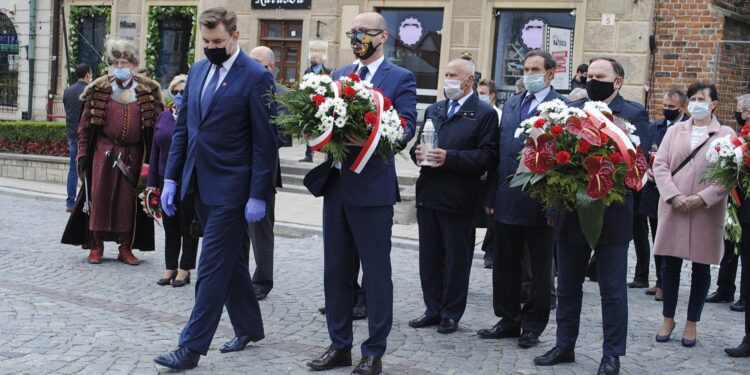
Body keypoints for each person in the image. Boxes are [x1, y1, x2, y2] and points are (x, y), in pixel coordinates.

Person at [153, 7, 278, 370]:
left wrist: (257, 193)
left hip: (234, 189)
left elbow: (264, 142)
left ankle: (190, 348)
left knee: (209, 267)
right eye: (206, 42)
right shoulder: (197, 69)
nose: (212, 47)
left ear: (235, 37)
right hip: (198, 183)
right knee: (232, 262)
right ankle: (250, 327)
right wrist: (172, 178)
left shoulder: (256, 77)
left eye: (218, 41)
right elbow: (184, 129)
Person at [302, 11, 416, 375]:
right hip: (336, 187)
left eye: (363, 32)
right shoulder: (339, 75)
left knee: (376, 273)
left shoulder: (401, 77)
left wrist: (371, 137)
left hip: (372, 190)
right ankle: (339, 346)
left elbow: (406, 127)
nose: (357, 38)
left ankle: (373, 352)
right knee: (335, 272)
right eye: (353, 32)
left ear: (382, 37)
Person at [534, 57, 649, 375]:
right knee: (568, 284)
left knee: (612, 290)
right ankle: (564, 344)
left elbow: (638, 165)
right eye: (589, 75)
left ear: (618, 81)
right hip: (571, 213)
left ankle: (612, 355)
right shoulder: (575, 110)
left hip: (612, 215)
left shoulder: (634, 113)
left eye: (601, 76)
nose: (592, 80)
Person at [477, 50, 564, 348]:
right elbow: (500, 153)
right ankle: (508, 318)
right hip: (506, 197)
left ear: (551, 73)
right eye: (526, 69)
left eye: (535, 69)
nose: (529, 74)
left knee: (539, 269)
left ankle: (533, 325)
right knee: (505, 264)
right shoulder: (512, 103)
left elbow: (563, 163)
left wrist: (556, 204)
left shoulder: (563, 108)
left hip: (541, 201)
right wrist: (491, 194)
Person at [408, 58, 498, 334]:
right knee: (430, 257)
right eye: (445, 74)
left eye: (453, 75)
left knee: (457, 259)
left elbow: (488, 156)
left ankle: (451, 312)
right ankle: (432, 308)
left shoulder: (483, 113)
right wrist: (418, 154)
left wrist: (451, 158)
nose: (447, 79)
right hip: (429, 193)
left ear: (469, 79)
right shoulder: (435, 109)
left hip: (459, 197)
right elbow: (417, 145)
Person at [61, 38, 160, 265]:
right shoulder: (98, 90)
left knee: (127, 202)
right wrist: (83, 155)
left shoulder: (148, 91)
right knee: (100, 198)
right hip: (103, 152)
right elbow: (84, 128)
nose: (121, 67)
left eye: (125, 62)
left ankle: (126, 247)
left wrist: (153, 161)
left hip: (134, 155)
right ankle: (96, 246)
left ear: (134, 65)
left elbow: (156, 129)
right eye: (116, 62)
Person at [652, 82, 735, 348]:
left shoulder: (725, 133)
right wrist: (673, 195)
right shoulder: (675, 131)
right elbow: (661, 164)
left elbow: (728, 175)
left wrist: (702, 198)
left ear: (714, 104)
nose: (696, 103)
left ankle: (691, 323)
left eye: (701, 98)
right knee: (670, 266)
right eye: (692, 98)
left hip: (705, 209)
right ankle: (668, 318)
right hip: (674, 205)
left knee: (701, 268)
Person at [147, 74, 198, 288]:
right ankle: (170, 266)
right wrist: (151, 183)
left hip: (187, 179)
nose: (178, 96)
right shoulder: (164, 117)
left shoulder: (196, 117)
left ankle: (185, 269)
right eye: (175, 92)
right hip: (163, 176)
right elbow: (154, 151)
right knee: (169, 225)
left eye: (183, 92)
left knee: (187, 225)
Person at [639, 88, 690, 301]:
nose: (667, 110)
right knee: (657, 236)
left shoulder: (688, 128)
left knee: (671, 237)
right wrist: (648, 170)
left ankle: (667, 282)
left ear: (683, 108)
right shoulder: (656, 127)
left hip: (677, 189)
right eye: (665, 106)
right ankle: (660, 279)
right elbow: (645, 154)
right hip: (654, 189)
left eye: (672, 107)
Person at [247, 45, 287, 301]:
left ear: (271, 67)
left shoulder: (282, 95)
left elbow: (281, 134)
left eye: (259, 65)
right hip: (234, 171)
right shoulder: (241, 87)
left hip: (262, 172)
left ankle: (262, 281)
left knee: (261, 232)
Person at [706, 93, 750, 312]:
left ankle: (745, 297)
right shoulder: (742, 133)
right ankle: (725, 288)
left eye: (739, 108)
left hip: (745, 199)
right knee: (730, 243)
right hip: (735, 196)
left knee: (745, 248)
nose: (737, 111)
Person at [476, 78, 502, 268]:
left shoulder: (499, 115)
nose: (480, 97)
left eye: (483, 94)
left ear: (492, 95)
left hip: (491, 172)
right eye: (479, 93)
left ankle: (491, 251)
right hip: (477, 171)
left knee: (492, 215)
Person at [63, 64, 91, 212]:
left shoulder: (67, 91)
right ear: (87, 75)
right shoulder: (88, 91)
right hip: (84, 136)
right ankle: (87, 199)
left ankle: (70, 202)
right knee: (87, 168)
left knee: (73, 168)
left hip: (71, 134)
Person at [300, 52, 332, 162]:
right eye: (311, 57)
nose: (312, 59)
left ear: (321, 60)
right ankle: (309, 155)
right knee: (309, 129)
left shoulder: (328, 71)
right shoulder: (307, 72)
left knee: (322, 129)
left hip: (323, 104)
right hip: (310, 104)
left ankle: (322, 156)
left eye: (315, 57)